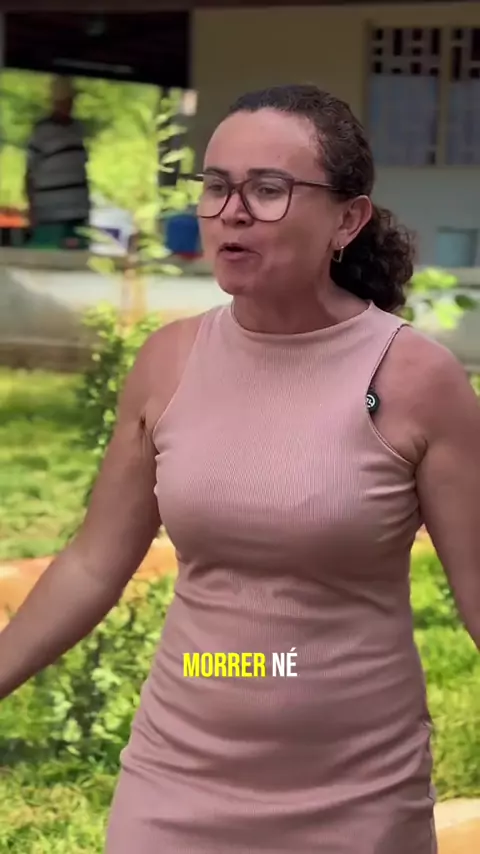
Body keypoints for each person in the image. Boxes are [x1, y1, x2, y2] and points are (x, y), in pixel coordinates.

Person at [1, 83, 479, 853]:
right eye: (217, 186)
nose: (232, 211)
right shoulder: (168, 362)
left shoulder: (416, 379)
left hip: (356, 796)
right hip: (174, 787)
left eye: (268, 189)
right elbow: (93, 563)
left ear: (347, 220)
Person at [25, 76, 90, 249]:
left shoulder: (77, 128)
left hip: (78, 211)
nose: (69, 105)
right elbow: (30, 172)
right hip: (50, 213)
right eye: (65, 101)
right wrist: (32, 209)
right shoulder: (42, 132)